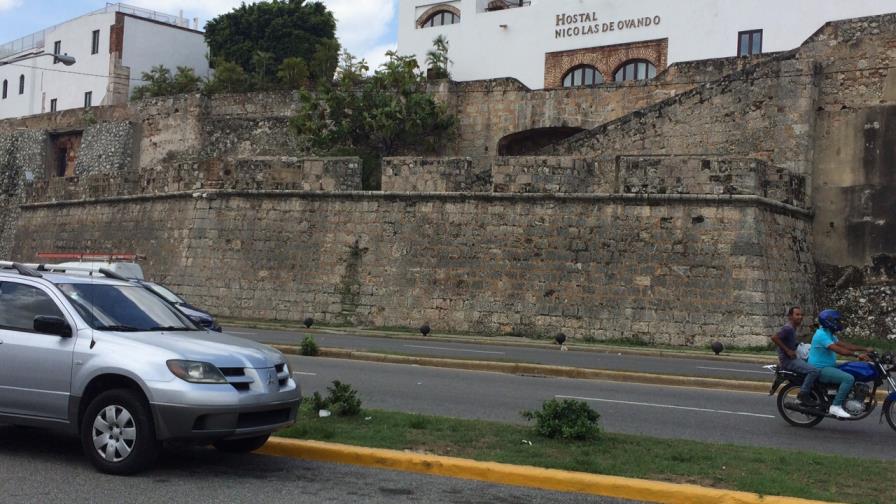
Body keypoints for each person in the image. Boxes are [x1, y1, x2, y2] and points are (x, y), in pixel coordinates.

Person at [807, 309, 873, 419]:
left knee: (850, 368)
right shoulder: (821, 335)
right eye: (836, 320)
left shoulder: (828, 333)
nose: (839, 323)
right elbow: (839, 350)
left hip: (829, 366)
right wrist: (857, 355)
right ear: (829, 321)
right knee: (848, 379)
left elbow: (845, 345)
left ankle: (843, 399)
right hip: (820, 369)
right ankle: (835, 406)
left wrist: (865, 348)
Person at [770, 306, 819, 406]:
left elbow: (790, 342)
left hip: (792, 357)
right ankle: (803, 395)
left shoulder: (792, 328)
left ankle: (812, 393)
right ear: (790, 316)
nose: (800, 317)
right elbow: (774, 338)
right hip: (788, 361)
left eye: (801, 315)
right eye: (797, 314)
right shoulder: (788, 328)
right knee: (814, 371)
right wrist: (787, 350)